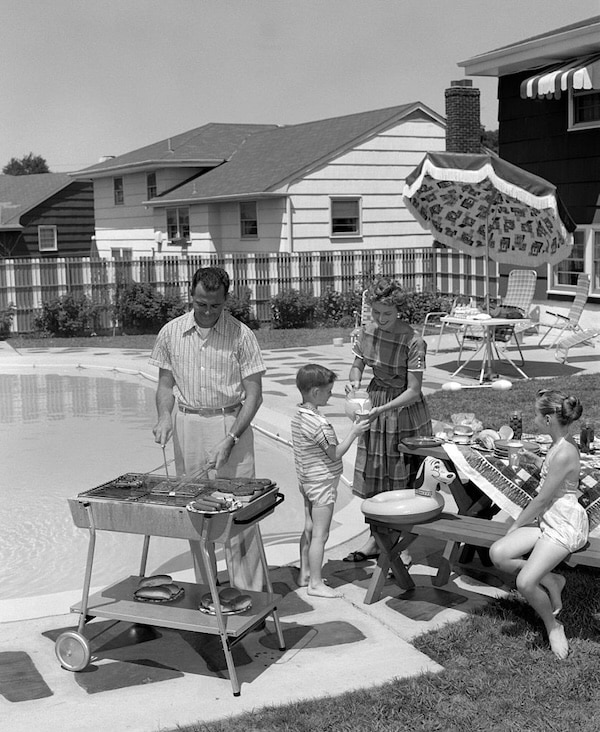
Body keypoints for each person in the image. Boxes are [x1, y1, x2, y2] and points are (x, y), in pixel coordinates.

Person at [150, 266, 266, 592]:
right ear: (192, 295)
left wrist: (231, 438)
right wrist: (163, 417)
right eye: (201, 303)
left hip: (230, 423)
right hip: (186, 423)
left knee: (239, 510)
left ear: (226, 300)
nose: (207, 311)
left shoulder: (243, 335)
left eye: (215, 305)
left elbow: (255, 395)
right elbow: (163, 387)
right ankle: (208, 593)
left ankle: (250, 594)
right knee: (195, 508)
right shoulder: (170, 333)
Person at [489, 389, 588, 659]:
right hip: (548, 518)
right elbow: (553, 479)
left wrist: (514, 526)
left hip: (563, 523)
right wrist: (536, 460)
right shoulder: (559, 443)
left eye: (535, 414)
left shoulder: (565, 451)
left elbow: (542, 499)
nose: (533, 419)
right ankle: (553, 580)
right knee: (498, 554)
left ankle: (553, 625)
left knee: (524, 583)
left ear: (548, 420)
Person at [343, 276, 432, 563]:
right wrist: (353, 382)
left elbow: (413, 390)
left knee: (401, 478)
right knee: (376, 474)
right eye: (376, 312)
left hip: (403, 412)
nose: (380, 319)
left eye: (387, 314)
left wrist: (382, 410)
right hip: (376, 405)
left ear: (399, 311)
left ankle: (401, 545)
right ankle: (374, 540)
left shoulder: (413, 340)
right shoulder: (367, 332)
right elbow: (357, 365)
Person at [291, 364, 369, 597]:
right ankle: (316, 584)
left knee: (309, 527)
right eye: (328, 391)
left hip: (306, 480)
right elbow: (335, 453)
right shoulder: (320, 425)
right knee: (321, 534)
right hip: (322, 484)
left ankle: (305, 573)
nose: (331, 394)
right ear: (315, 392)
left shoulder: (300, 416)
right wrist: (354, 433)